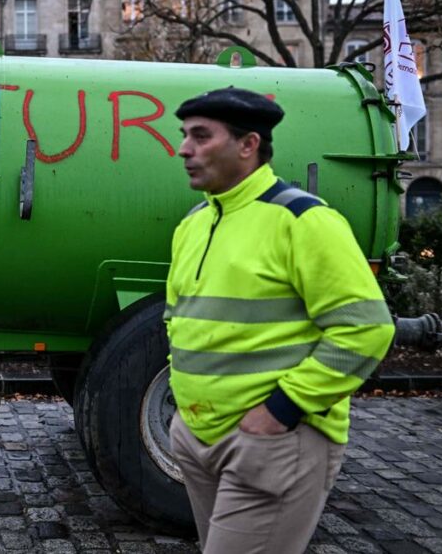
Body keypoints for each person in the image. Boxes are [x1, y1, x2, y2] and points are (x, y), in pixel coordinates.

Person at [164, 87, 395, 554]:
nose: (184, 149)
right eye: (185, 135)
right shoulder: (194, 223)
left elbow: (367, 328)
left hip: (270, 442)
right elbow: (181, 320)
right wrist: (183, 425)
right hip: (198, 438)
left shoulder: (303, 220)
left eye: (201, 136)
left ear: (248, 145)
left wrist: (280, 412)